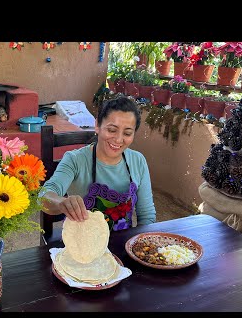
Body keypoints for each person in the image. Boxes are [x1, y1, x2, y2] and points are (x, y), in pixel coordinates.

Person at [41, 96, 156, 229]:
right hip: (82, 244)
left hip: (122, 243)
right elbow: (44, 196)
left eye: (127, 133)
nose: (119, 140)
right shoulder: (75, 160)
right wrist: (62, 203)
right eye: (112, 130)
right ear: (97, 126)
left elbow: (147, 216)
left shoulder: (138, 161)